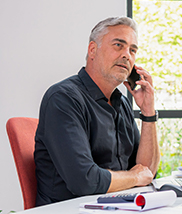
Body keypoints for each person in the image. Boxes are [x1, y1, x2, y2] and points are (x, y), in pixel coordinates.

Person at [34, 17, 160, 206]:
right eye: (119, 45)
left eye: (133, 50)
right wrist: (133, 178)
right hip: (70, 209)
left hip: (117, 206)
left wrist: (148, 113)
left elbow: (147, 172)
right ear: (93, 50)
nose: (127, 55)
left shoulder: (122, 103)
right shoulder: (63, 98)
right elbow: (84, 180)